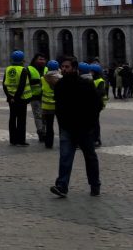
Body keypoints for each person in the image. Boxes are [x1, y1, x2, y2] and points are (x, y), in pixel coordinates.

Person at [49, 57, 102, 198]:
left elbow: (97, 105)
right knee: (65, 157)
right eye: (62, 67)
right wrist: (61, 122)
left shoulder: (85, 84)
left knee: (90, 157)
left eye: (67, 67)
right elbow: (58, 106)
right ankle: (62, 186)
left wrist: (90, 124)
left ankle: (95, 184)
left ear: (74, 68)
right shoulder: (60, 85)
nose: (64, 69)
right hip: (67, 128)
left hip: (84, 128)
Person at [3, 50, 31, 146]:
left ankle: (13, 140)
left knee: (12, 118)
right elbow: (21, 86)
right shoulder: (23, 70)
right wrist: (16, 97)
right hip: (21, 99)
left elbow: (4, 84)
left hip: (11, 99)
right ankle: (21, 140)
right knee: (21, 119)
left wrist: (9, 96)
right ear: (22, 60)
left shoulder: (7, 69)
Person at [27, 54, 47, 139]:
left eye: (43, 59)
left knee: (45, 115)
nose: (42, 61)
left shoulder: (47, 69)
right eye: (40, 59)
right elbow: (26, 83)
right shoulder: (29, 69)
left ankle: (44, 131)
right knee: (38, 115)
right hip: (34, 96)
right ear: (35, 60)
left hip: (45, 96)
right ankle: (41, 132)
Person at [40, 60, 60, 148]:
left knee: (49, 125)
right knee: (62, 125)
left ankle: (48, 143)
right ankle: (63, 142)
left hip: (47, 106)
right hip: (59, 105)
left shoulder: (43, 78)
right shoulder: (62, 78)